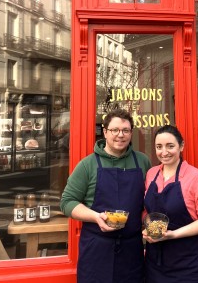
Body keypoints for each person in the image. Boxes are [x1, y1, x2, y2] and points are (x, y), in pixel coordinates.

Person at [60, 108, 151, 283]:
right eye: (115, 130)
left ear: (131, 133)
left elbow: (150, 199)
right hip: (97, 249)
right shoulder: (88, 165)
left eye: (125, 130)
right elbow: (67, 202)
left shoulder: (142, 161)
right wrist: (95, 217)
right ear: (105, 132)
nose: (120, 135)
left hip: (132, 250)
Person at [143, 125, 198, 283]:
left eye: (170, 146)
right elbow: (147, 210)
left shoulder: (197, 179)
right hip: (154, 264)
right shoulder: (151, 174)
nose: (164, 152)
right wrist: (147, 228)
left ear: (181, 146)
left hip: (187, 266)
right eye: (159, 147)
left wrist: (172, 234)